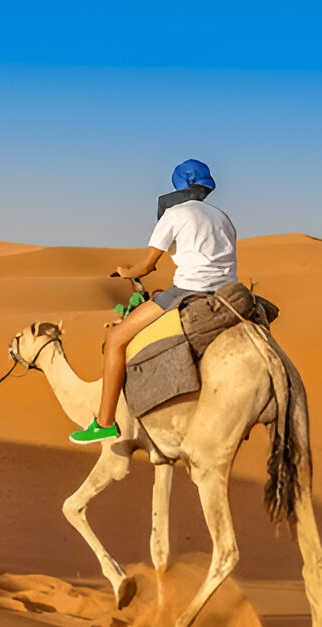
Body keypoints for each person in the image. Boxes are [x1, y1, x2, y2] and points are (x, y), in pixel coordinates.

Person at [69, 159, 238, 444]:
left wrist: (127, 272)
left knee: (115, 340)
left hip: (189, 289)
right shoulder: (223, 217)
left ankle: (105, 422)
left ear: (179, 184)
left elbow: (146, 267)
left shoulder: (174, 214)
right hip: (227, 293)